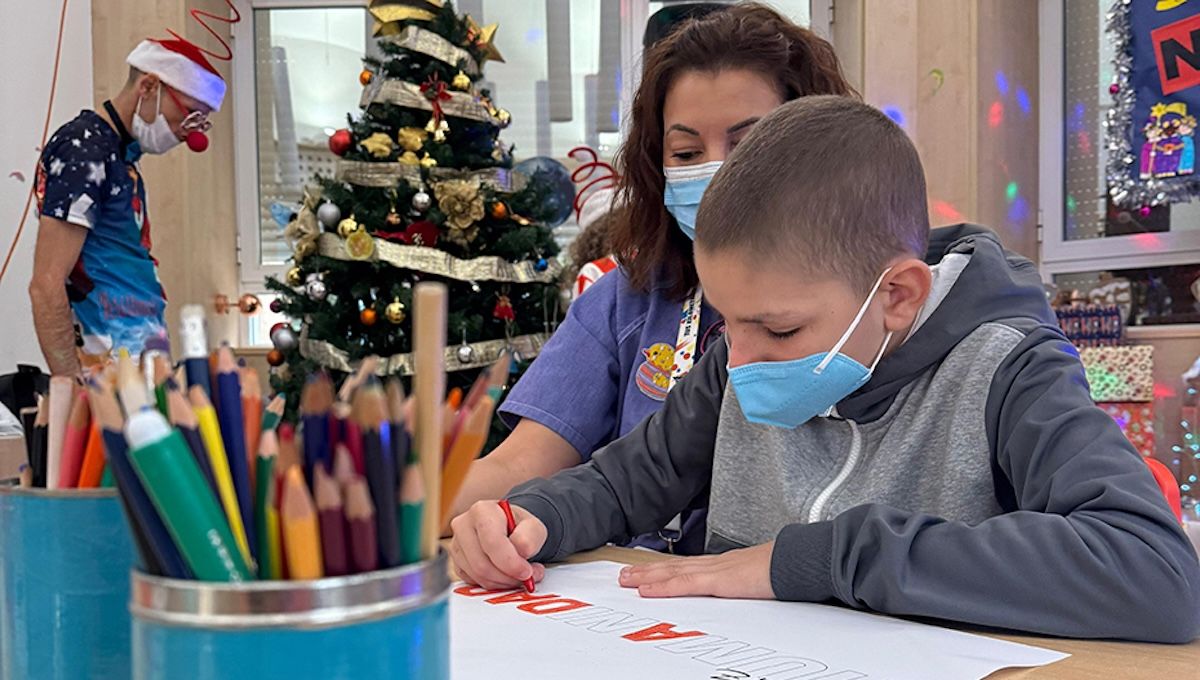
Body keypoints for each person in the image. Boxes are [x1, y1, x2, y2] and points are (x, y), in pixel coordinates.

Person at [449, 96, 1200, 643]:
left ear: (897, 296)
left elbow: (1154, 574)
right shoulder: (738, 358)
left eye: (777, 327)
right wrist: (529, 518)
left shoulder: (1010, 370)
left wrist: (822, 558)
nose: (737, 360)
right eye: (726, 321)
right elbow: (621, 482)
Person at [449, 3, 856, 555]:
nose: (719, 174)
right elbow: (526, 465)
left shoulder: (867, 303)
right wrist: (415, 515)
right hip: (646, 605)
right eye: (686, 152)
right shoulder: (629, 300)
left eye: (750, 145)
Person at [29, 37, 227, 377]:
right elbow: (46, 284)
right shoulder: (84, 150)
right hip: (107, 371)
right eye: (189, 116)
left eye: (200, 123)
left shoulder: (119, 156)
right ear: (149, 86)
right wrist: (71, 382)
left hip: (137, 361)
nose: (190, 135)